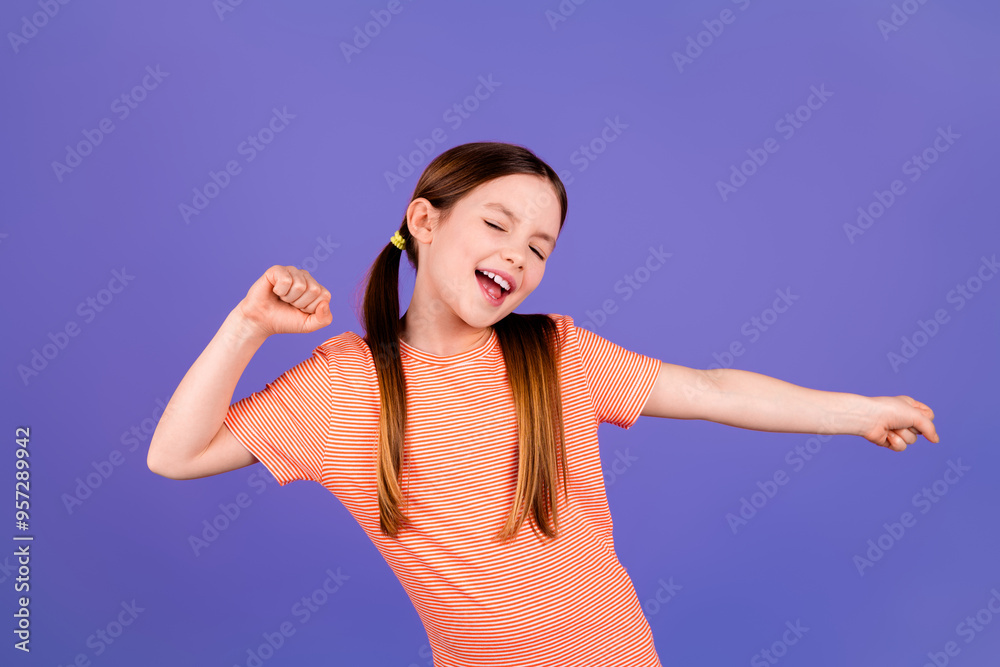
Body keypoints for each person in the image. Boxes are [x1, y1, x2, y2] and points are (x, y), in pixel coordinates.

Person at [147, 141, 939, 666]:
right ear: (424, 221)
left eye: (539, 247)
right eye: (497, 223)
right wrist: (249, 326)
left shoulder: (555, 352)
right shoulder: (341, 385)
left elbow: (712, 388)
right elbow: (174, 454)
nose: (517, 254)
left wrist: (859, 410)